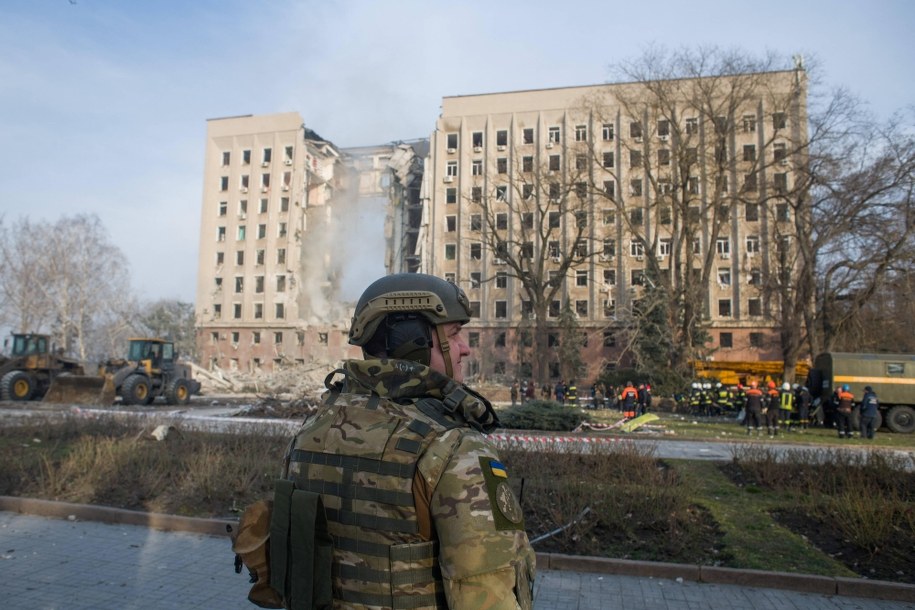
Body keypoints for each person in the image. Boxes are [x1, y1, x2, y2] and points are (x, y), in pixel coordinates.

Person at [236, 274, 535, 609]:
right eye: (453, 334)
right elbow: (487, 596)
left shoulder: (312, 429)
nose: (465, 347)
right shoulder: (452, 446)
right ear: (412, 341)